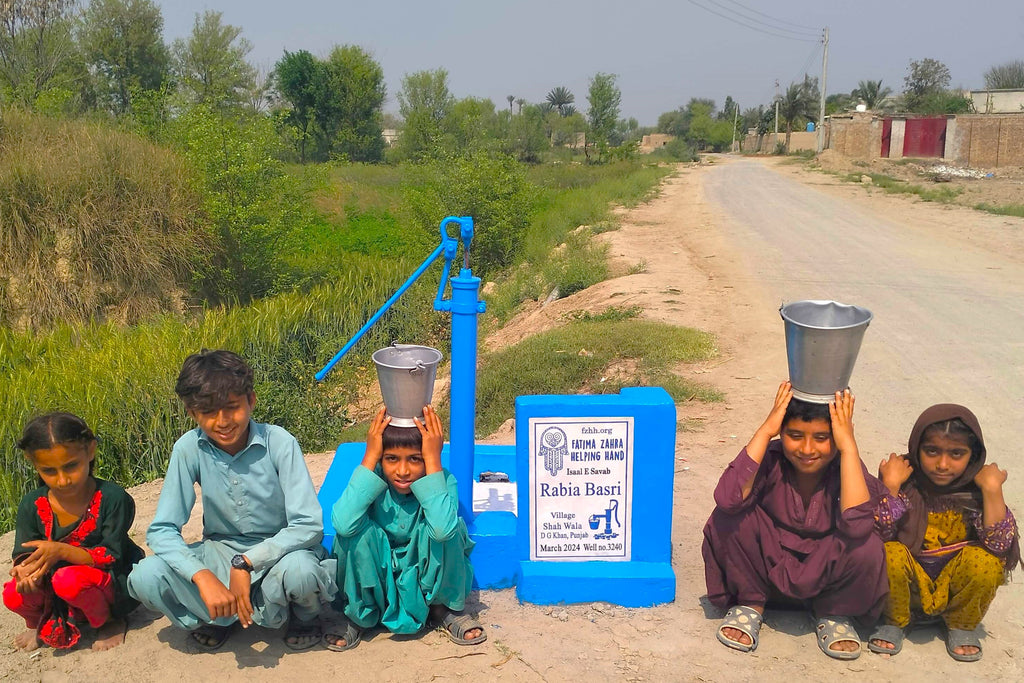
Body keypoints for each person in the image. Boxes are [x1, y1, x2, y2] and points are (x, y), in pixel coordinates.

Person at [127, 350, 335, 651]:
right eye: (208, 412)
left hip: (278, 553)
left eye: (231, 408)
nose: (222, 421)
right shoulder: (188, 449)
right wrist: (202, 576)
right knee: (147, 575)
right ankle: (216, 616)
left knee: (302, 572)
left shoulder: (280, 442)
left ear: (251, 400)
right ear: (192, 412)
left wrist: (246, 562)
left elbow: (309, 525)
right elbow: (162, 530)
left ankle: (303, 616)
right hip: (218, 551)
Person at [702, 382, 888, 660]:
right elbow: (727, 499)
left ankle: (833, 612)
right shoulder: (771, 460)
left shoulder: (846, 467)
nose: (807, 449)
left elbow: (858, 526)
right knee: (726, 519)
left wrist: (849, 448)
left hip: (824, 578)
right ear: (782, 432)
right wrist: (765, 430)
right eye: (795, 435)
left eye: (822, 437)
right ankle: (751, 604)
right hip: (765, 574)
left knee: (867, 545)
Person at [323, 405, 484, 651]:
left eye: (415, 459)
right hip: (380, 578)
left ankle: (443, 610)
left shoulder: (443, 480)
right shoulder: (372, 476)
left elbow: (441, 530)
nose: (403, 471)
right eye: (391, 458)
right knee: (352, 531)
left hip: (425, 582)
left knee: (450, 528)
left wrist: (433, 461)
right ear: (380, 457)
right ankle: (361, 613)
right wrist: (370, 457)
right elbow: (343, 523)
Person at [868, 404, 1019, 662]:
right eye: (931, 451)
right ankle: (896, 620)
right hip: (909, 589)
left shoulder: (978, 490)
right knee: (886, 552)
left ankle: (960, 623)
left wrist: (993, 490)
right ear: (917, 448)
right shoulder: (905, 481)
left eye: (957, 453)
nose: (942, 464)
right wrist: (890, 485)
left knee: (986, 562)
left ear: (973, 456)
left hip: (954, 590)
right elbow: (875, 535)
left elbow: (999, 546)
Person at [4, 412, 144, 652]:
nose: (62, 480)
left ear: (90, 451)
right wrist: (25, 571)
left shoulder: (112, 498)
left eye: (71, 466)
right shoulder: (31, 504)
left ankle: (108, 621)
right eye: (49, 471)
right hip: (56, 583)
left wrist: (61, 551)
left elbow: (112, 556)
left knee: (68, 580)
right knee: (12, 595)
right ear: (32, 462)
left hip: (107, 582)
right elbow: (24, 552)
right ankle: (37, 622)